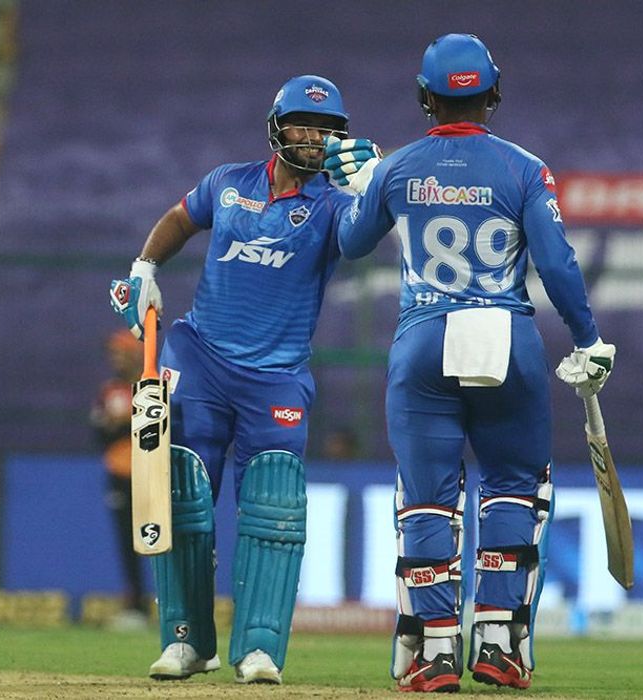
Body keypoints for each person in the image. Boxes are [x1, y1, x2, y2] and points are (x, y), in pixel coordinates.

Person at [324, 34, 615, 692]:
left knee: (427, 497)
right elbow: (558, 265)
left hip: (423, 338)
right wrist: (588, 339)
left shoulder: (397, 168)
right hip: (505, 338)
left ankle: (430, 651)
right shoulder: (524, 169)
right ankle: (499, 641)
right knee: (513, 485)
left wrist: (364, 183)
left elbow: (350, 242)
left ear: (425, 98)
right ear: (495, 93)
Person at [108, 75, 376, 685]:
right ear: (277, 129)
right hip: (199, 354)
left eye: (329, 129)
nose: (317, 139)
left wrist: (372, 185)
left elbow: (362, 240)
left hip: (276, 375)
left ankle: (258, 648)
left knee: (273, 506)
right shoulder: (228, 183)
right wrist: (146, 265)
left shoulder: (336, 205)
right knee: (181, 492)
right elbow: (180, 217)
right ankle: (186, 641)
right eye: (305, 126)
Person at [90, 330, 151, 630]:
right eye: (113, 353)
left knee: (162, 539)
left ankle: (173, 606)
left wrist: (126, 421)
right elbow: (99, 433)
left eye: (121, 352)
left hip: (151, 474)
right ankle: (136, 608)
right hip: (119, 475)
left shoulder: (151, 386)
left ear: (134, 354)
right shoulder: (110, 391)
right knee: (128, 544)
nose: (116, 358)